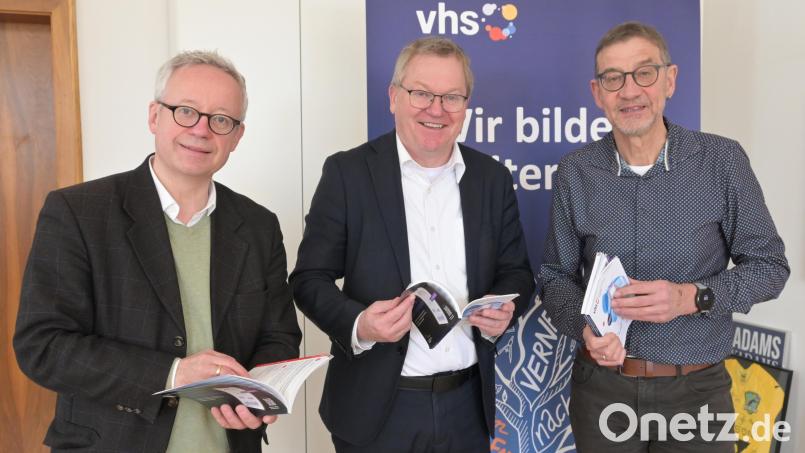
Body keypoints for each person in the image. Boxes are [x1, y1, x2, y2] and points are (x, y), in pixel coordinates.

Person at [14, 50, 302, 452]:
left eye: (221, 119)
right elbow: (42, 346)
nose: (201, 130)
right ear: (154, 116)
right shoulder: (79, 212)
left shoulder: (258, 225)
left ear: (237, 136)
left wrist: (258, 391)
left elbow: (279, 335)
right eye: (186, 111)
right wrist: (173, 373)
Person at [540, 21, 789, 452]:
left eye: (644, 73)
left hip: (696, 392)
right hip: (601, 392)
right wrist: (585, 331)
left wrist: (692, 297)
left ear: (669, 80)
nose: (630, 91)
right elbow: (554, 277)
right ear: (597, 93)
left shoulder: (721, 160)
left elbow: (770, 268)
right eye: (613, 79)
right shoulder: (575, 173)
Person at [290, 36, 534, 453]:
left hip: (467, 407)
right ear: (394, 97)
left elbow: (518, 273)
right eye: (421, 93)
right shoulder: (348, 173)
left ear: (465, 105)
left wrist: (507, 310)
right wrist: (359, 324)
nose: (436, 109)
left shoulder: (491, 178)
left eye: (451, 97)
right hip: (375, 410)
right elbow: (309, 279)